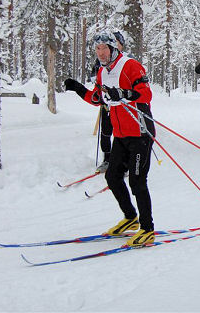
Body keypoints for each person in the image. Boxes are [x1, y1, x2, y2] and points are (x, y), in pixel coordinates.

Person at [64, 31, 156, 247]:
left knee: (137, 181)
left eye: (104, 48)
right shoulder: (102, 72)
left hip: (140, 134)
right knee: (112, 177)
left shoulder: (130, 65)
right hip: (121, 135)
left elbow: (146, 94)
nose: (101, 53)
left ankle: (147, 229)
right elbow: (98, 98)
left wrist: (123, 93)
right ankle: (130, 217)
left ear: (114, 48)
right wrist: (78, 88)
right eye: (97, 49)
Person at [89, 31, 127, 173]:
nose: (101, 52)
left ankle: (123, 161)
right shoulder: (102, 62)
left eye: (118, 42)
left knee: (122, 133)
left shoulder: (125, 61)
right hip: (107, 103)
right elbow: (94, 76)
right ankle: (107, 158)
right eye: (99, 48)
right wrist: (97, 94)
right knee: (105, 131)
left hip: (123, 105)